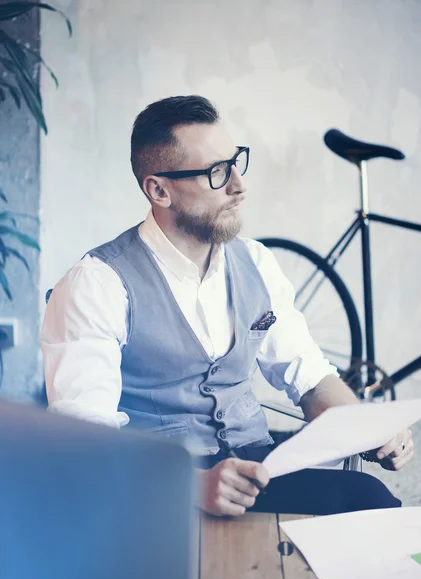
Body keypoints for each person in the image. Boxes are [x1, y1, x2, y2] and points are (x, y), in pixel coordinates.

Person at [40, 95, 414, 517]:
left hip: (256, 466)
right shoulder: (96, 284)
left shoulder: (254, 261)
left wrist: (367, 428)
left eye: (236, 161)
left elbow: (310, 379)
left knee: (371, 501)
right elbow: (84, 449)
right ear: (158, 190)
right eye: (217, 172)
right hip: (156, 490)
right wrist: (190, 486)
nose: (239, 184)